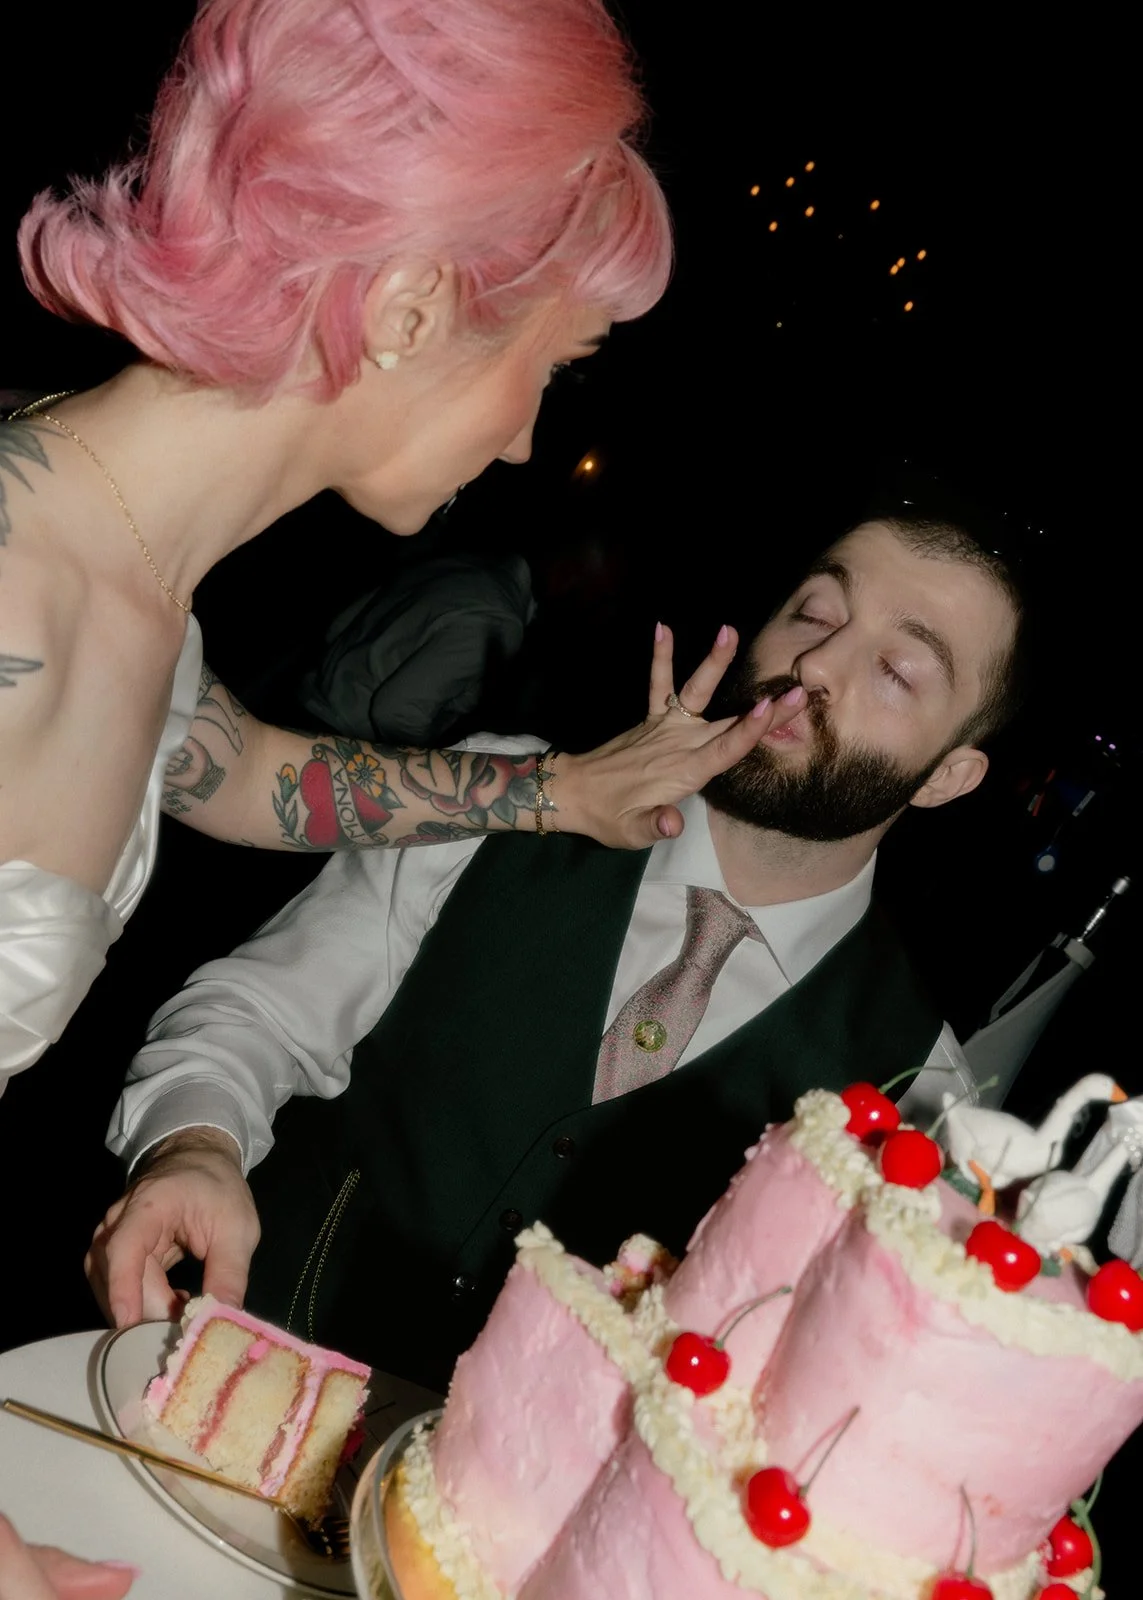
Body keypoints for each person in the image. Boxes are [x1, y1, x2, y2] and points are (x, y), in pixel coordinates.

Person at [0, 0, 793, 1104]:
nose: (524, 444)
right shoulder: (18, 589)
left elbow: (252, 776)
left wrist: (560, 791)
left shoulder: (127, 570)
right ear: (409, 310)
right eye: (552, 370)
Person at [88, 512, 1026, 1387]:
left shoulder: (919, 1094)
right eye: (815, 612)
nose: (816, 663)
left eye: (897, 671)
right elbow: (257, 1014)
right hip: (234, 1377)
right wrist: (194, 1144)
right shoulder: (504, 792)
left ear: (949, 776)